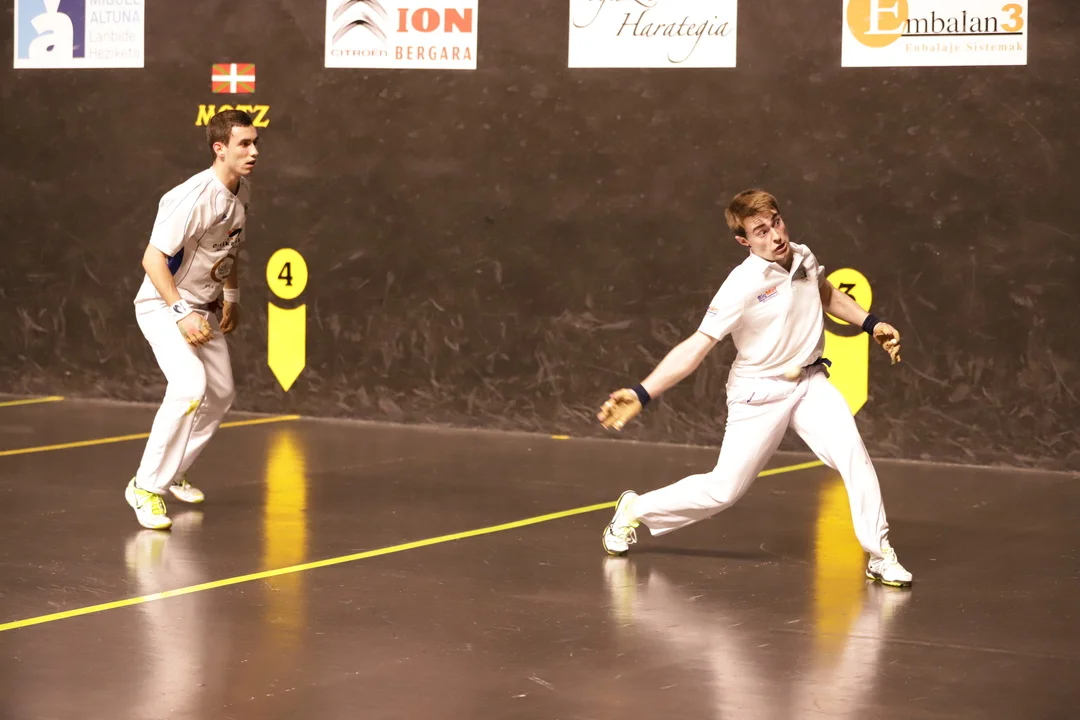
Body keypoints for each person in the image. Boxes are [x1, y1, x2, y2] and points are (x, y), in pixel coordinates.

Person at [596, 189, 912, 587]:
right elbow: (697, 346)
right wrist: (642, 393)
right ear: (743, 241)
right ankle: (635, 509)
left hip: (810, 383)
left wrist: (871, 323)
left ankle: (880, 555)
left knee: (855, 457)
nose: (775, 236)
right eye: (760, 231)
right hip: (757, 394)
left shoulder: (803, 256)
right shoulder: (740, 286)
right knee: (724, 491)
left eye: (776, 222)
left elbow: (825, 292)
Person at [124, 109, 259, 530]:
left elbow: (229, 248)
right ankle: (145, 487)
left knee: (220, 393)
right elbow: (152, 259)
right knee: (188, 387)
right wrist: (181, 313)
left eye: (255, 143)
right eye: (244, 144)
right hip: (164, 306)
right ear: (220, 148)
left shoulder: (242, 190)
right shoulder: (191, 197)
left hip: (202, 308)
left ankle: (174, 469)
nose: (253, 151)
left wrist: (230, 296)